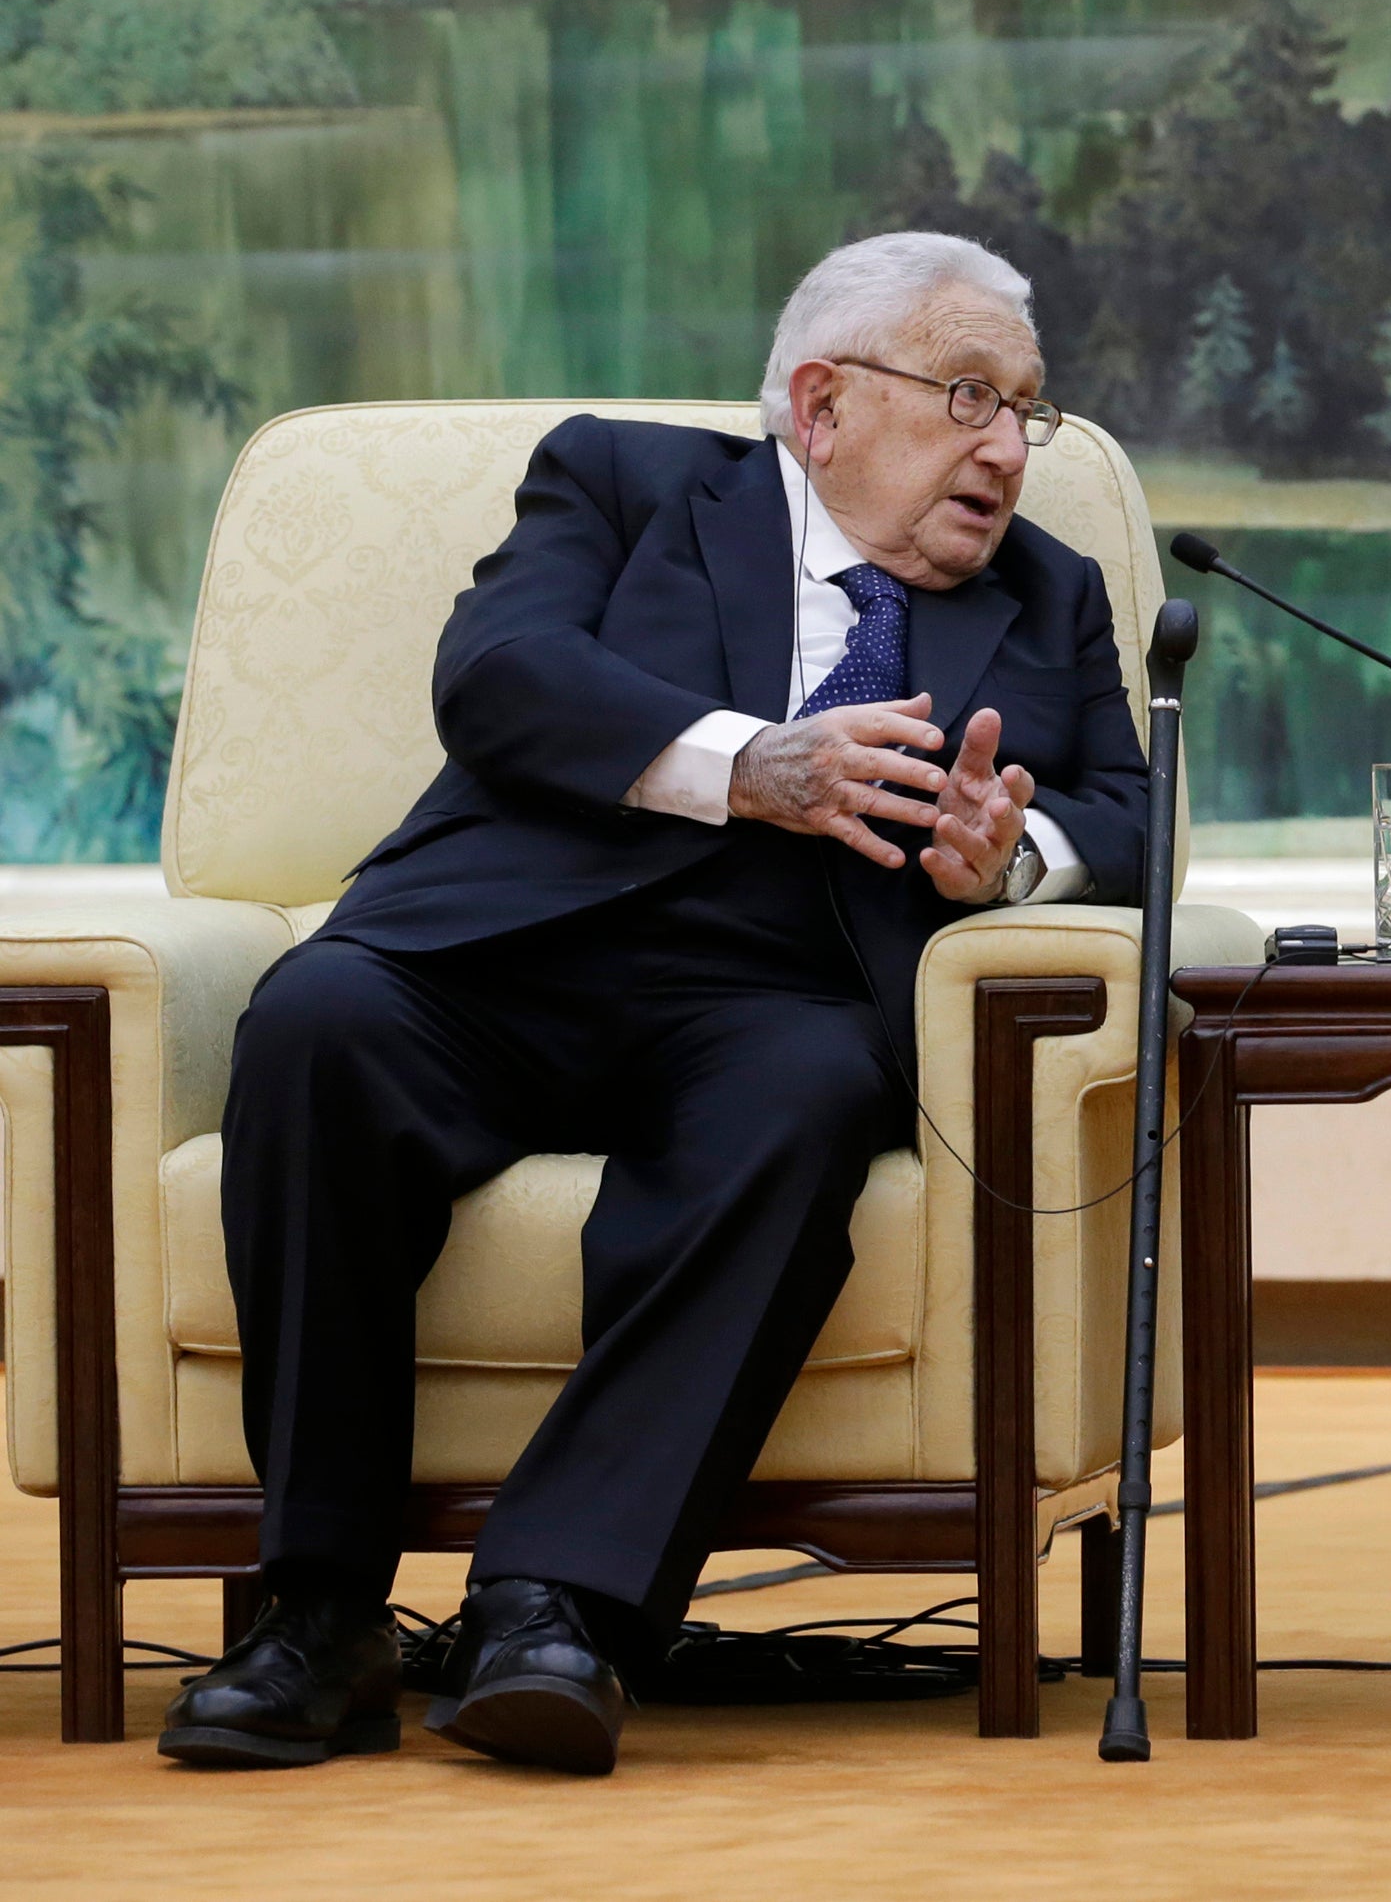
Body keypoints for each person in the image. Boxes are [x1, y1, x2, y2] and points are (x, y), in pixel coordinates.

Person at [157, 234, 1149, 1776]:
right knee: (311, 1025)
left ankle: (558, 1607)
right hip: (497, 954)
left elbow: (1133, 814)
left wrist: (1010, 854)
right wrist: (745, 763)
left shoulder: (1048, 595)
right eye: (970, 398)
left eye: (1028, 410)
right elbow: (498, 674)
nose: (1009, 450)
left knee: (808, 1096)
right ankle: (321, 1613)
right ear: (821, 404)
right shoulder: (625, 486)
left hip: (778, 997)